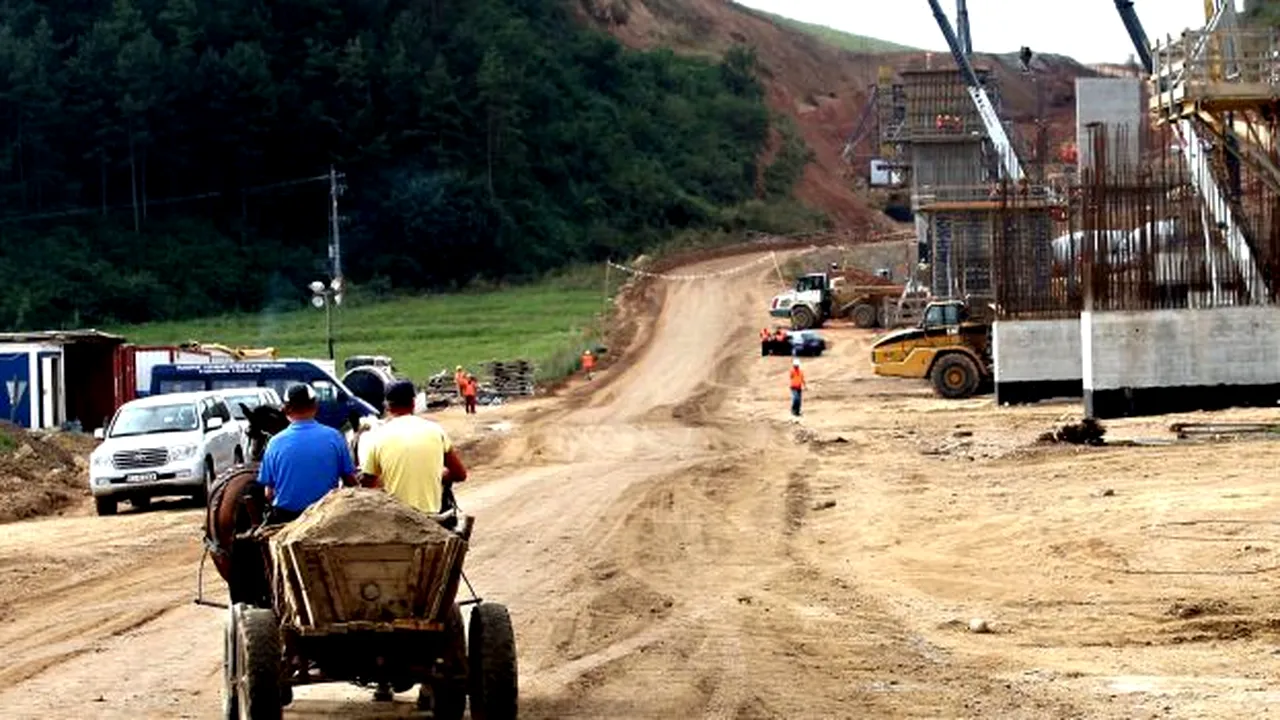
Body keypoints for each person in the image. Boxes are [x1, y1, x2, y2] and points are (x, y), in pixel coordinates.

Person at [359, 380, 468, 516]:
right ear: (413, 403)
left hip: (396, 517)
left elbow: (367, 486)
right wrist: (437, 476)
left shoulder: (377, 437)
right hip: (431, 515)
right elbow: (460, 474)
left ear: (387, 406)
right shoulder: (435, 430)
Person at [257, 384, 358, 523]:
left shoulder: (274, 442)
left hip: (286, 518)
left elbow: (269, 493)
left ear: (286, 409)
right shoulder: (334, 437)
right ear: (315, 406)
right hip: (326, 517)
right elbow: (350, 481)